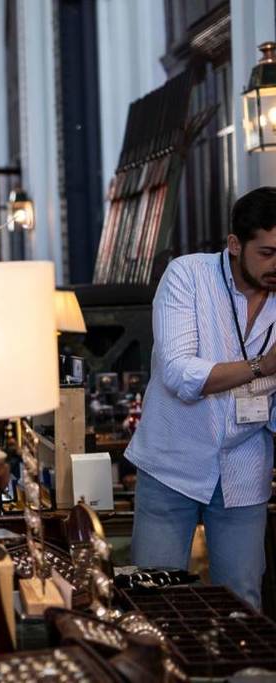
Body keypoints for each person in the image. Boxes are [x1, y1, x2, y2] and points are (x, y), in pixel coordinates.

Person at [125, 187, 276, 609]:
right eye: (267, 253)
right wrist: (263, 365)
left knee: (242, 601)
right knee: (156, 599)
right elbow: (178, 372)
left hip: (245, 469)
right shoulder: (187, 276)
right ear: (234, 244)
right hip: (171, 463)